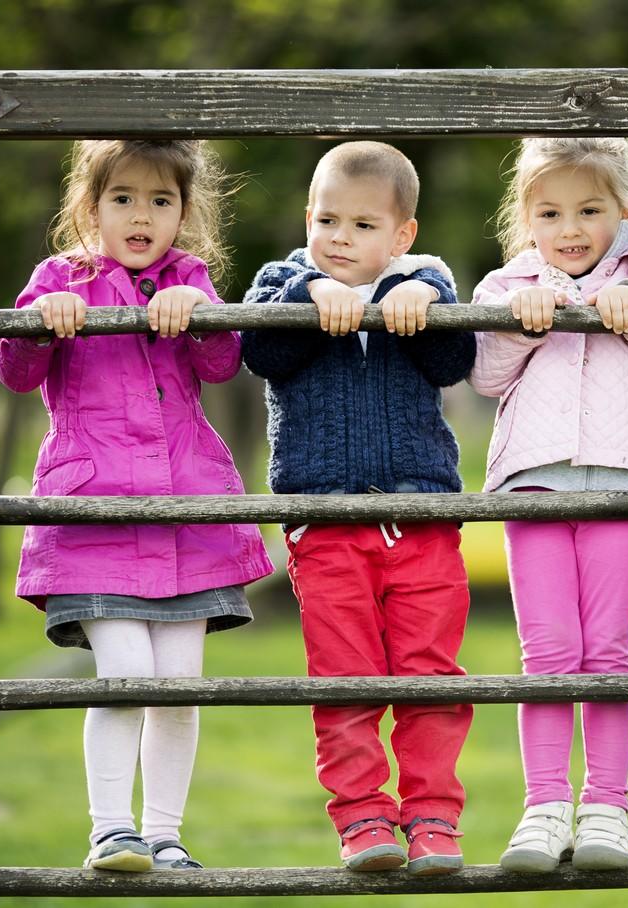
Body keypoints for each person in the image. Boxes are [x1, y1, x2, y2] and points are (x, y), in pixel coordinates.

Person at [0, 139, 274, 873]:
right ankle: (110, 829)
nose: (141, 215)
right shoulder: (62, 278)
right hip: (95, 513)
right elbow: (18, 375)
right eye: (123, 199)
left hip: (186, 515)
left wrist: (203, 312)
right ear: (91, 207)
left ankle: (165, 833)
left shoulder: (191, 278)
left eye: (161, 200)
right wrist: (39, 319)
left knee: (179, 689)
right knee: (124, 675)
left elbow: (220, 362)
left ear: (185, 212)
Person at [241, 141, 477, 876]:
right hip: (327, 524)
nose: (341, 238)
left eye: (364, 226)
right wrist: (308, 298)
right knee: (343, 677)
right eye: (327, 220)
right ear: (307, 217)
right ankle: (363, 819)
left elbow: (455, 363)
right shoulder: (283, 280)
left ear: (402, 235)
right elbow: (258, 352)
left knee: (429, 675)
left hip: (423, 520)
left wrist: (427, 304)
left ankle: (434, 819)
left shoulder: (425, 279)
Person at [469, 137, 628, 873]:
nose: (570, 227)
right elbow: (484, 373)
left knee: (607, 651)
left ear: (624, 212)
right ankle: (542, 809)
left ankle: (607, 807)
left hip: (627, 481)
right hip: (533, 482)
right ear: (526, 220)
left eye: (589, 210)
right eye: (550, 212)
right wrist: (524, 318)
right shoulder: (507, 282)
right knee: (547, 654)